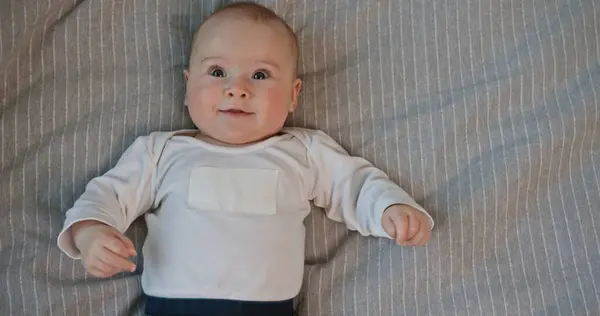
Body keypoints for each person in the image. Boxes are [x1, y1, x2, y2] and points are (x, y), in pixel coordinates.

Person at [57, 2, 434, 316]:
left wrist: (390, 208)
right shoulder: (161, 153)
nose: (236, 89)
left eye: (260, 74)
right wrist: (91, 232)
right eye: (217, 71)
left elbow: (353, 185)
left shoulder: (303, 153)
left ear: (293, 94)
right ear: (187, 87)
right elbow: (108, 194)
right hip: (175, 307)